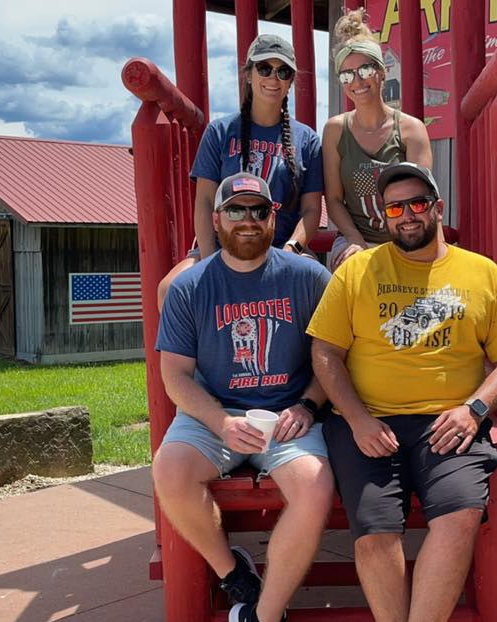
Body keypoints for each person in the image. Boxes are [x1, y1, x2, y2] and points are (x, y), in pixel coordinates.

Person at [307, 162, 497, 622]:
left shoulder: (484, 274)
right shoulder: (356, 272)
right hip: (366, 421)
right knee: (375, 530)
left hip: (450, 422)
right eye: (394, 208)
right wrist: (357, 418)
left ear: (437, 208)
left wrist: (474, 409)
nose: (406, 215)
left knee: (461, 517)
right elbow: (325, 352)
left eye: (417, 203)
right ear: (384, 216)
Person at [153, 172, 334, 622]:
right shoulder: (188, 287)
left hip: (288, 414)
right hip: (215, 413)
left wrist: (308, 404)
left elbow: (333, 359)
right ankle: (235, 573)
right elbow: (174, 375)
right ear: (216, 219)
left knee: (315, 489)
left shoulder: (309, 276)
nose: (247, 220)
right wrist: (221, 423)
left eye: (259, 210)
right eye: (235, 210)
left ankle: (264, 614)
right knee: (170, 472)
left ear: (274, 218)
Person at [157, 33, 324, 309]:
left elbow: (311, 210)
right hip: (225, 245)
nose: (273, 78)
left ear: (291, 81)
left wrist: (291, 249)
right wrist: (213, 262)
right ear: (248, 74)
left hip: (280, 246)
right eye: (264, 68)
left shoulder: (306, 139)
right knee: (169, 290)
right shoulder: (220, 132)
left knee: (324, 288)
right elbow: (206, 202)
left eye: (283, 71)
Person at [323, 9, 434, 271]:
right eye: (347, 74)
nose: (357, 80)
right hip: (354, 241)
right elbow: (334, 199)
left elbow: (423, 200)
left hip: (406, 240)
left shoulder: (411, 129)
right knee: (351, 269)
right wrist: (356, 242)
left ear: (382, 72)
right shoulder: (335, 130)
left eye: (365, 69)